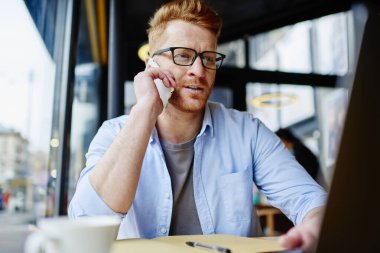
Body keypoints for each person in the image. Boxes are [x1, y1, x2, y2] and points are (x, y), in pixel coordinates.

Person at [68, 0, 326, 251]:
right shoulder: (114, 133)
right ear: (152, 63)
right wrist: (146, 109)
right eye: (183, 55)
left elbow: (310, 200)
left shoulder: (247, 131)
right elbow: (85, 221)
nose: (199, 70)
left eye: (209, 58)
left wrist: (316, 225)